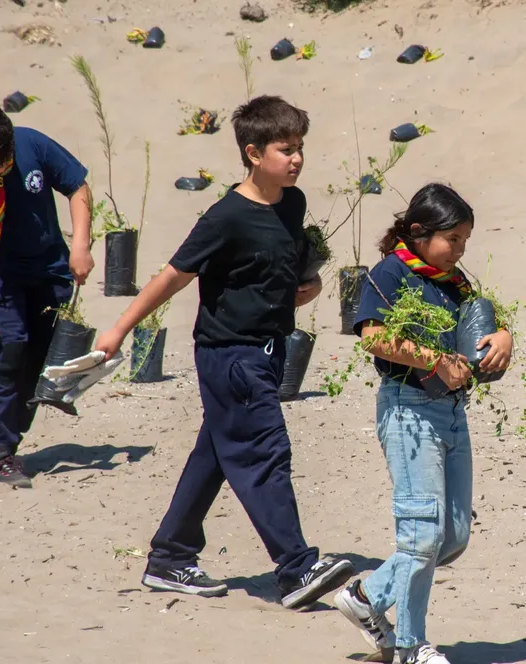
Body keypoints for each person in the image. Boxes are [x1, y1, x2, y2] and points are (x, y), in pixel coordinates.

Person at [93, 95, 353, 609]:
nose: (296, 159)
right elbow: (173, 275)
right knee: (263, 452)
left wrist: (308, 285)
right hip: (231, 354)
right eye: (285, 149)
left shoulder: (292, 203)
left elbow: (283, 264)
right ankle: (297, 569)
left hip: (270, 348)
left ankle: (170, 557)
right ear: (253, 153)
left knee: (216, 454)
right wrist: (118, 329)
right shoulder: (225, 217)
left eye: (300, 148)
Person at [334, 183, 513, 664]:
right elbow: (373, 338)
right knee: (421, 536)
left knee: (452, 535)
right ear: (418, 232)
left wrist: (503, 338)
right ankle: (412, 647)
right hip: (408, 410)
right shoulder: (389, 273)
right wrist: (433, 359)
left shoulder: (454, 281)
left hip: (453, 413)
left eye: (465, 241)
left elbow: (482, 326)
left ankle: (367, 596)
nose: (459, 250)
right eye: (452, 239)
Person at [0, 101, 94, 488]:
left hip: (49, 269)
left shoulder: (31, 143)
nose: (2, 169)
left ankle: (11, 439)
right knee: (8, 349)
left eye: (6, 159)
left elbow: (77, 187)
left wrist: (80, 245)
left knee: (40, 359)